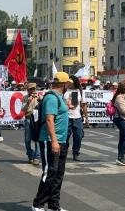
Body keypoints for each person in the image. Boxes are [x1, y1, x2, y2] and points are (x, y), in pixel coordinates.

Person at [32, 72, 71, 211]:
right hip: (50, 140)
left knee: (58, 174)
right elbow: (49, 119)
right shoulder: (52, 98)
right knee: (50, 172)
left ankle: (54, 205)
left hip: (61, 140)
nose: (69, 86)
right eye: (68, 84)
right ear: (64, 84)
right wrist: (54, 141)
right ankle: (38, 204)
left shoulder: (59, 97)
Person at [64, 75, 88, 162]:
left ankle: (76, 152)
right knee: (65, 137)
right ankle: (64, 151)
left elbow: (83, 105)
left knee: (78, 136)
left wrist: (87, 119)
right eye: (68, 82)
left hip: (77, 118)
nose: (69, 83)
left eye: (71, 82)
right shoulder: (64, 90)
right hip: (66, 117)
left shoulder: (79, 91)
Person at [22, 82, 41, 165]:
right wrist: (28, 102)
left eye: (34, 89)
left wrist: (40, 100)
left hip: (37, 119)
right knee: (27, 139)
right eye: (31, 89)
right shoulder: (25, 98)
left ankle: (37, 156)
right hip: (28, 118)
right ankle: (30, 154)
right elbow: (23, 109)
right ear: (28, 90)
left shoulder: (39, 97)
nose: (33, 90)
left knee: (37, 138)